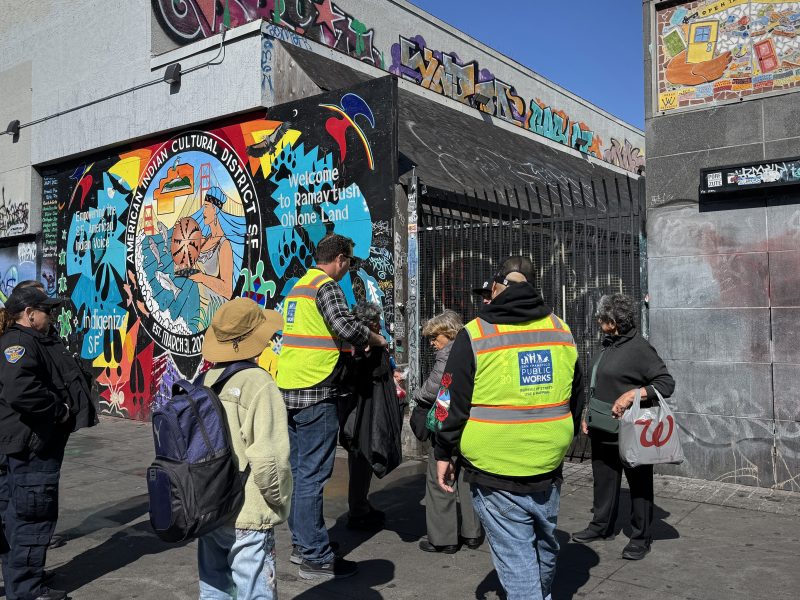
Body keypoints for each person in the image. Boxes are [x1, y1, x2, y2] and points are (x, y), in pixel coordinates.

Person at [433, 257, 583, 600]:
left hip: (494, 466)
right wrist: (557, 436)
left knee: (517, 561)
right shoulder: (561, 329)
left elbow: (449, 401)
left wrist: (444, 451)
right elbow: (575, 395)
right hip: (547, 461)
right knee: (545, 546)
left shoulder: (476, 333)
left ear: (499, 286)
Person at [276, 234, 387, 580]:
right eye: (349, 262)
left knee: (298, 472)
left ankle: (302, 543)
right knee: (313, 475)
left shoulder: (298, 287)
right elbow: (345, 327)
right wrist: (375, 338)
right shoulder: (326, 287)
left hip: (291, 389)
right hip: (317, 391)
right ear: (340, 259)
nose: (349, 269)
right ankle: (315, 556)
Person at [0, 285, 97, 600]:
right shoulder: (18, 343)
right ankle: (26, 590)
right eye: (47, 310)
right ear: (29, 314)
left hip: (28, 445)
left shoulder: (33, 339)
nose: (53, 316)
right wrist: (59, 409)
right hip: (31, 448)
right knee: (31, 516)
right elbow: (19, 390)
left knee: (15, 518)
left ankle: (23, 580)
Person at [198, 297, 292, 599]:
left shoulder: (205, 380)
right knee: (255, 591)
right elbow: (268, 458)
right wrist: (279, 502)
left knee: (214, 589)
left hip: (211, 504)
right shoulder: (259, 383)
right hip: (248, 510)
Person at [571, 293, 675, 560]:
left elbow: (666, 383)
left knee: (639, 485)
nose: (597, 320)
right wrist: (587, 413)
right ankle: (601, 526)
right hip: (602, 427)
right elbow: (596, 382)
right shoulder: (608, 344)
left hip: (631, 431)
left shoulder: (639, 349)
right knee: (603, 480)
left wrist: (632, 395)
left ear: (614, 321)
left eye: (602, 317)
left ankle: (641, 536)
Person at [412, 310, 483, 554]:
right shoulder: (474, 348)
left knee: (439, 478)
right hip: (470, 422)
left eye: (434, 337)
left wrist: (416, 395)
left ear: (449, 333)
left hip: (446, 422)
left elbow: (433, 389)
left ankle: (444, 538)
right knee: (466, 476)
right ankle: (472, 533)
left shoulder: (448, 355)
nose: (432, 343)